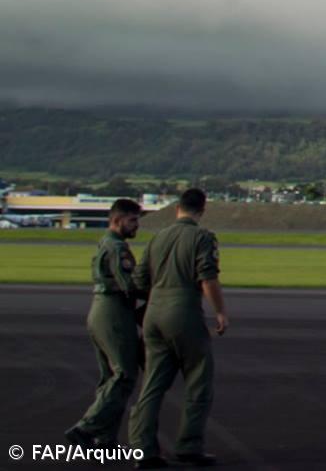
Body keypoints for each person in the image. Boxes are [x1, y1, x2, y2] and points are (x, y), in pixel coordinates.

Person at [129, 187, 228, 468]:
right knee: (199, 380)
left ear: (177, 208)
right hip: (184, 312)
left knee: (153, 383)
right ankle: (188, 445)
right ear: (202, 210)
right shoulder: (202, 237)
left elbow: (138, 279)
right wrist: (220, 312)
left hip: (154, 314)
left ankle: (142, 447)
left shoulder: (157, 237)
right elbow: (207, 277)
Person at [60, 198, 145, 447]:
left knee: (110, 377)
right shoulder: (118, 248)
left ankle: (105, 436)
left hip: (100, 309)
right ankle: (86, 427)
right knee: (124, 375)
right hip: (114, 312)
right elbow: (129, 285)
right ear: (117, 220)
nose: (137, 225)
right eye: (133, 220)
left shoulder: (105, 243)